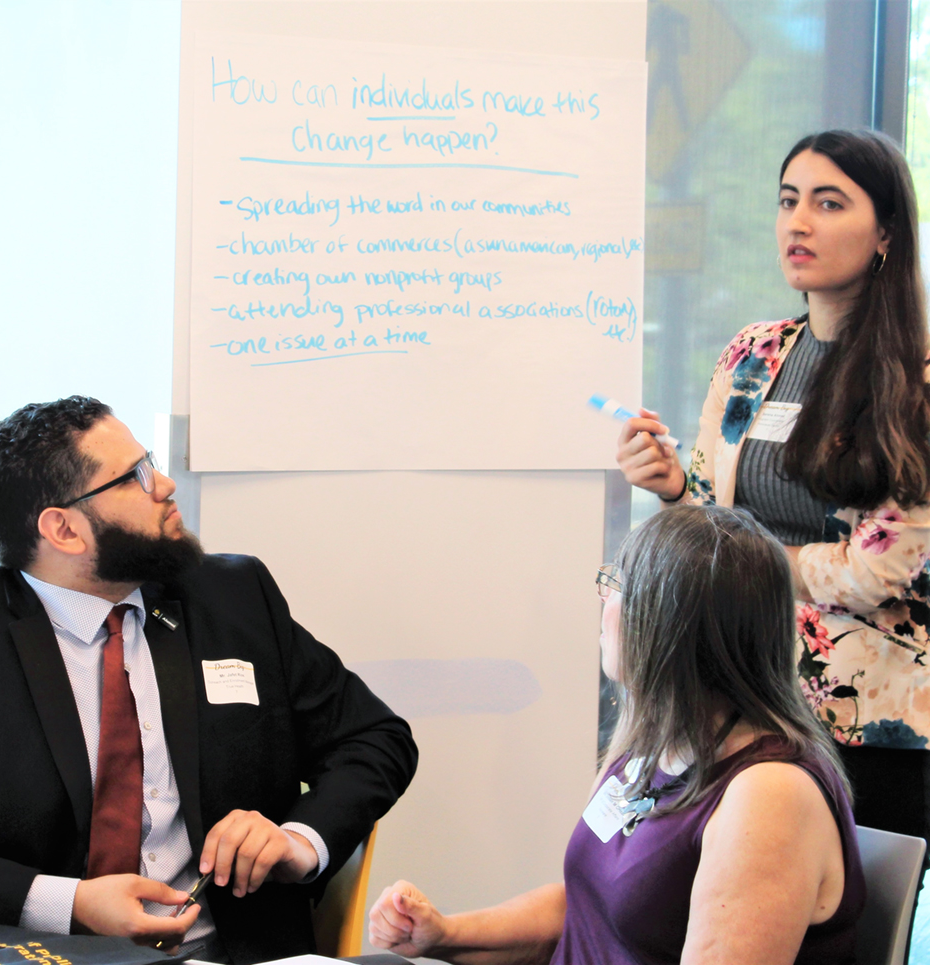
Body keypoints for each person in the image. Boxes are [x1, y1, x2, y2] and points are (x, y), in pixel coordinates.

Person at [0, 396, 418, 965]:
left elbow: (376, 738)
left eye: (149, 461)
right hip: (46, 954)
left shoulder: (233, 598)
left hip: (233, 951)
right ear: (64, 529)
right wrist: (69, 901)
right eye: (134, 477)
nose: (165, 485)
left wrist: (299, 841)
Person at [369, 506, 864, 965]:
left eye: (618, 584)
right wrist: (444, 934)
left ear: (669, 626)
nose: (605, 598)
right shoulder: (650, 745)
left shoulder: (769, 794)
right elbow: (583, 909)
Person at [616, 129, 930, 847]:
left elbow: (874, 569)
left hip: (865, 716)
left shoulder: (914, 381)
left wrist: (749, 559)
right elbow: (711, 519)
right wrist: (672, 492)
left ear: (884, 233)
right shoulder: (752, 353)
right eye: (788, 201)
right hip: (741, 691)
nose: (798, 222)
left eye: (828, 203)